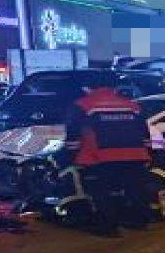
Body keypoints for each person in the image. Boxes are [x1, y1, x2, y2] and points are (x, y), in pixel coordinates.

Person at [55, 85, 153, 236]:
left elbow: (73, 135)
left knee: (101, 191)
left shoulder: (83, 105)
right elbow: (145, 133)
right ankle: (139, 221)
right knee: (134, 188)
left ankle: (108, 226)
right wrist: (147, 152)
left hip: (101, 156)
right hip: (135, 154)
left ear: (87, 89)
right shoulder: (132, 105)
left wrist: (69, 156)